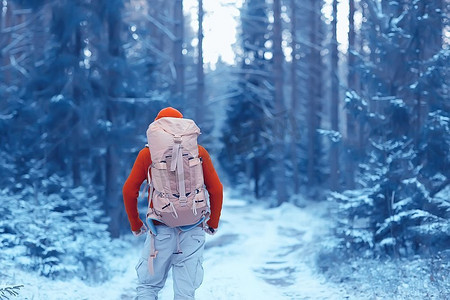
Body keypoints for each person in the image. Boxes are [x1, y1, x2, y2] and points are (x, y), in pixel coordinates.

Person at [123, 107, 223, 300]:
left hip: (160, 230)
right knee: (185, 293)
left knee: (148, 287)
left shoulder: (148, 154)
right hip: (193, 229)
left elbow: (129, 191)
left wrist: (136, 224)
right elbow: (216, 189)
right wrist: (213, 223)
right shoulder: (198, 152)